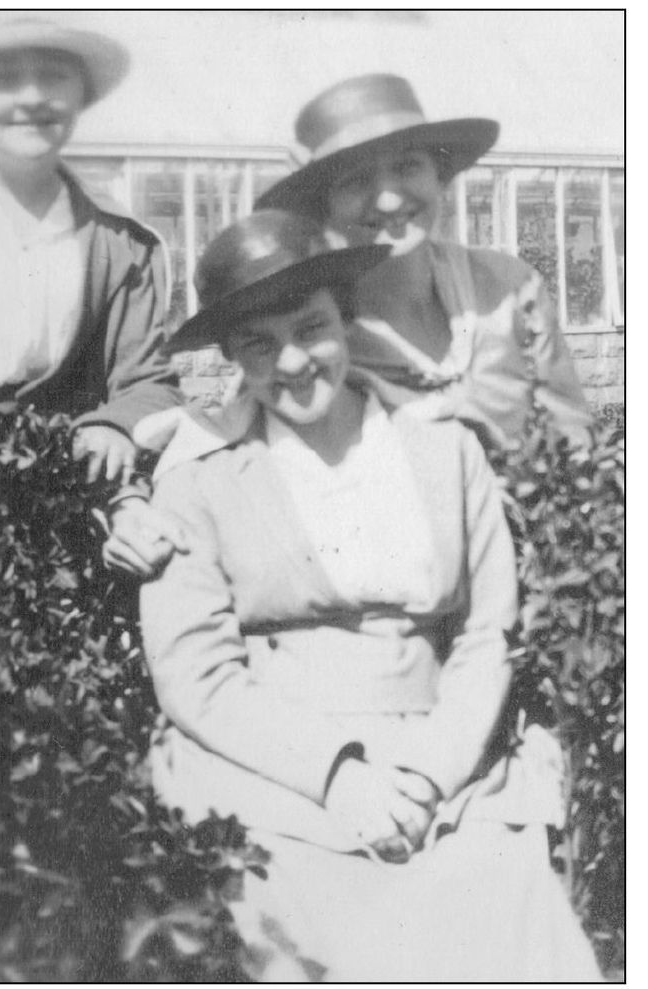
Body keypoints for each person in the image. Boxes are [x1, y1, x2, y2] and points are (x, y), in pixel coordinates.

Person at [139, 211, 601, 982]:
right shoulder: (199, 479)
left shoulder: (444, 449)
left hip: (444, 759)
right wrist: (337, 775)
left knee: (499, 908)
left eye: (310, 326)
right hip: (275, 770)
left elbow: (488, 631)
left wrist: (427, 772)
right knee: (311, 928)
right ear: (228, 357)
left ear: (344, 320)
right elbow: (194, 672)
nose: (292, 360)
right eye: (258, 342)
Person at [0, 15, 180, 491]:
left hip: (57, 486)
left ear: (82, 94)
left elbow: (147, 379)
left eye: (54, 76)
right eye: (1, 78)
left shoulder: (120, 241)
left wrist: (114, 425)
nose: (31, 97)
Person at [255, 73, 592, 451]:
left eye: (407, 167)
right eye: (356, 180)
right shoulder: (311, 329)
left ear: (439, 176)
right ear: (324, 207)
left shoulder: (509, 288)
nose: (388, 201)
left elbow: (573, 439)